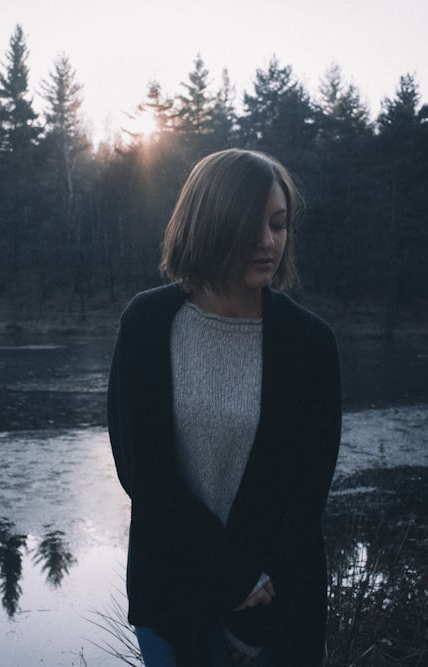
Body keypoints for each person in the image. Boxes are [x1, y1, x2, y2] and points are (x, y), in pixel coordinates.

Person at [107, 148, 342, 666]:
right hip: (170, 594)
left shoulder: (310, 344)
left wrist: (251, 603)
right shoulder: (147, 324)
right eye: (249, 225)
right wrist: (228, 576)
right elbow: (142, 471)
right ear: (208, 226)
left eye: (278, 225)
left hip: (276, 605)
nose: (268, 242)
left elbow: (305, 495)